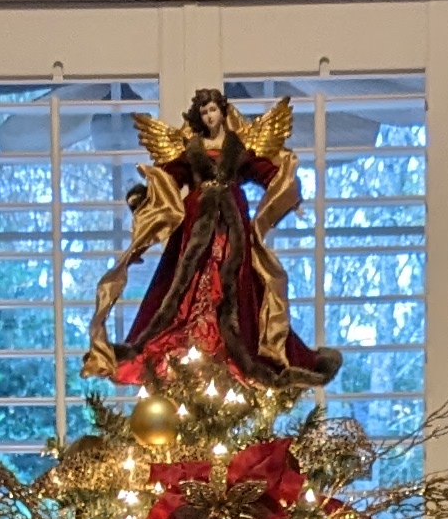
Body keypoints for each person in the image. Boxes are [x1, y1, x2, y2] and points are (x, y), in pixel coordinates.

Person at [82, 87, 342, 388]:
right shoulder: (191, 149)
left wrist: (290, 197)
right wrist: (143, 197)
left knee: (238, 282)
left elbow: (267, 172)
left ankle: (234, 345)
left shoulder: (239, 148)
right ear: (199, 116)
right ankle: (190, 340)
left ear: (222, 112)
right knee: (185, 281)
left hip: (233, 225)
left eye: (213, 110)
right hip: (196, 223)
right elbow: (168, 177)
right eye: (204, 112)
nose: (209, 116)